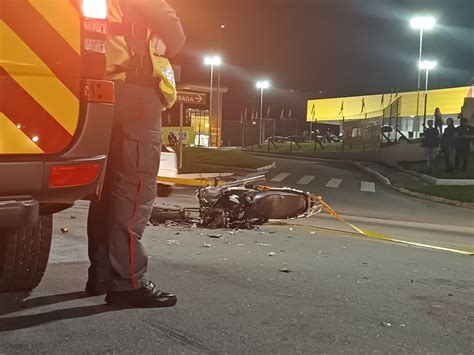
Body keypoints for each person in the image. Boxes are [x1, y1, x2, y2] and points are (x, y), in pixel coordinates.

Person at [86, 0, 185, 308]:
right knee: (133, 188)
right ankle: (127, 282)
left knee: (107, 192)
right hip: (136, 92)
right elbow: (174, 30)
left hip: (100, 89)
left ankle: (103, 274)